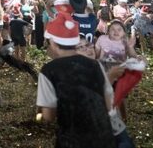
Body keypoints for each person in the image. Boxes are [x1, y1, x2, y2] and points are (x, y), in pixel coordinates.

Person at [36, 13, 115, 148]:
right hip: (103, 136)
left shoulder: (48, 71)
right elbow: (109, 101)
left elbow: (48, 115)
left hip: (72, 139)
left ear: (53, 42)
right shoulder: (95, 64)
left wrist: (39, 115)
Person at [76, 34, 136, 148]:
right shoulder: (76, 72)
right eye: (81, 47)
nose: (87, 49)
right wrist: (110, 77)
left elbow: (110, 94)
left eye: (88, 45)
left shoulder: (97, 65)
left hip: (113, 122)